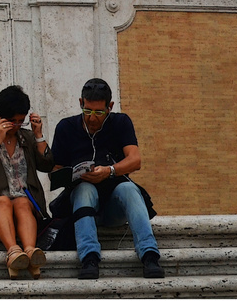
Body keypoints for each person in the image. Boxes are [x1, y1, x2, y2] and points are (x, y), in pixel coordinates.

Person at [50, 77, 162, 280]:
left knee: (128, 189)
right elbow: (56, 169)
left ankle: (150, 255)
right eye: (87, 111)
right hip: (81, 204)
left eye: (99, 112)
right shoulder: (65, 127)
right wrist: (73, 175)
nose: (92, 118)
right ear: (80, 103)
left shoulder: (121, 122)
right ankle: (89, 258)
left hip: (113, 208)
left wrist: (109, 171)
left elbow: (135, 160)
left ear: (109, 107)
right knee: (85, 189)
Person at [0, 85, 54, 278]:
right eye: (11, 121)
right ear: (1, 117)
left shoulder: (27, 137)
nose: (16, 126)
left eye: (20, 121)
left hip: (22, 202)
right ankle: (13, 251)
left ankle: (30, 252)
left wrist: (39, 136)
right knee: (3, 202)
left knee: (22, 202)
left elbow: (47, 164)